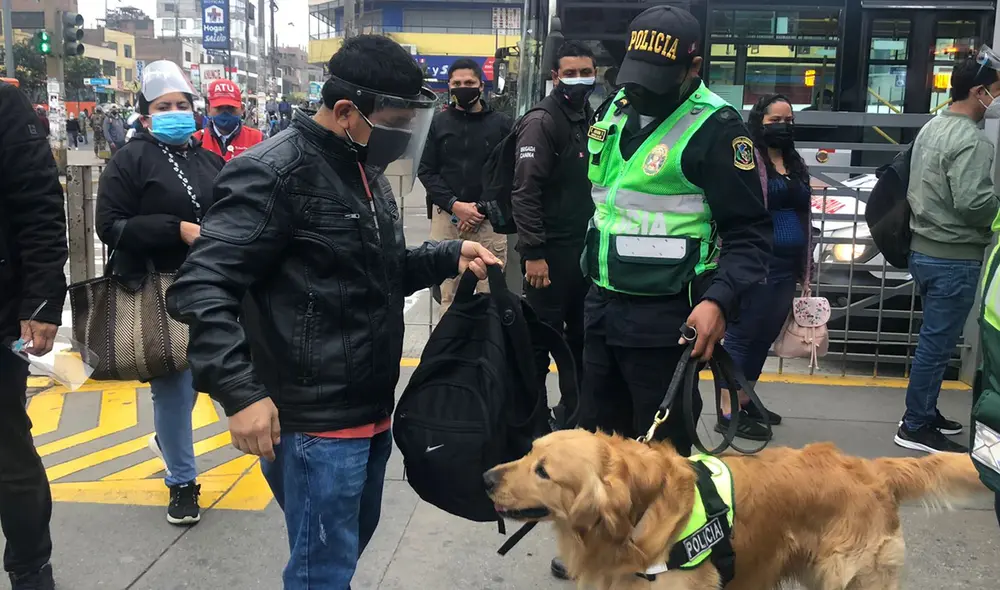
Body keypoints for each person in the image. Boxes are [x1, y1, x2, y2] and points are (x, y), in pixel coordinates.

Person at [165, 35, 500, 589]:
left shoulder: (364, 172)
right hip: (313, 422)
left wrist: (447, 254)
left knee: (338, 555)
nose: (401, 139)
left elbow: (380, 268)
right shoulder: (274, 172)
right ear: (346, 112)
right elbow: (203, 284)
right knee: (322, 569)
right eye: (394, 123)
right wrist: (241, 392)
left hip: (369, 405)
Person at [562, 6, 774, 579]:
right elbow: (604, 205)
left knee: (664, 454)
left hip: (668, 318)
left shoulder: (717, 129)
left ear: (692, 68)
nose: (640, 91)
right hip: (602, 307)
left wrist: (719, 300)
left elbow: (752, 236)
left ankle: (677, 560)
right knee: (597, 440)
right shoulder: (615, 108)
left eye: (656, 79)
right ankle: (603, 550)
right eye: (634, 75)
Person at [95, 61, 226, 526]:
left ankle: (173, 448)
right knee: (173, 388)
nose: (175, 112)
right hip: (157, 291)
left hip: (215, 288)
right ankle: (182, 481)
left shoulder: (209, 159)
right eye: (164, 107)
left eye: (182, 105)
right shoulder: (128, 161)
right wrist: (177, 230)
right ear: (146, 117)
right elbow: (109, 226)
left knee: (233, 379)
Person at [894, 55, 1000, 454]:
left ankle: (925, 411)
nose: (997, 99)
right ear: (979, 92)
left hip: (925, 250)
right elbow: (974, 203)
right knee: (937, 346)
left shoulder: (933, 126)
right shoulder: (972, 140)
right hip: (954, 255)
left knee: (933, 341)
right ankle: (915, 424)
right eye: (996, 91)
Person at [711, 93, 812, 441]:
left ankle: (744, 397)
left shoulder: (793, 161)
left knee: (764, 337)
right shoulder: (750, 159)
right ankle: (726, 411)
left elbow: (802, 211)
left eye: (789, 122)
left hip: (787, 266)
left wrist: (805, 266)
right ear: (760, 122)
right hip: (757, 263)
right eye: (776, 121)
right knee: (741, 336)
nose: (783, 128)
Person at [0, 80, 68, 590]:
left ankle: (29, 568)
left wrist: (42, 303)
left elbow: (41, 208)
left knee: (6, 451)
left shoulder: (4, 103)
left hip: (1, 312)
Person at [510, 40, 596, 421]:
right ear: (554, 76)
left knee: (580, 339)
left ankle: (573, 413)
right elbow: (525, 192)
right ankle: (531, 419)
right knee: (540, 341)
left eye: (586, 72)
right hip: (549, 254)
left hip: (582, 251)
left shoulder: (588, 116)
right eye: (571, 73)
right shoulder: (542, 122)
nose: (580, 80)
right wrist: (533, 254)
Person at [418, 58, 513, 317]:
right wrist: (455, 206)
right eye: (457, 83)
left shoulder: (502, 124)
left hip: (489, 221)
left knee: (489, 296)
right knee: (448, 296)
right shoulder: (437, 124)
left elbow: (508, 172)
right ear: (449, 86)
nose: (463, 87)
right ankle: (449, 354)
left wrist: (479, 209)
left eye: (469, 82)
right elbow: (426, 170)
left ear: (481, 86)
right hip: (447, 219)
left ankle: (487, 353)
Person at [194, 79, 264, 162]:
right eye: (219, 108)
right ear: (208, 109)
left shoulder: (258, 139)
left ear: (242, 109)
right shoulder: (196, 140)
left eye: (230, 108)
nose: (225, 113)